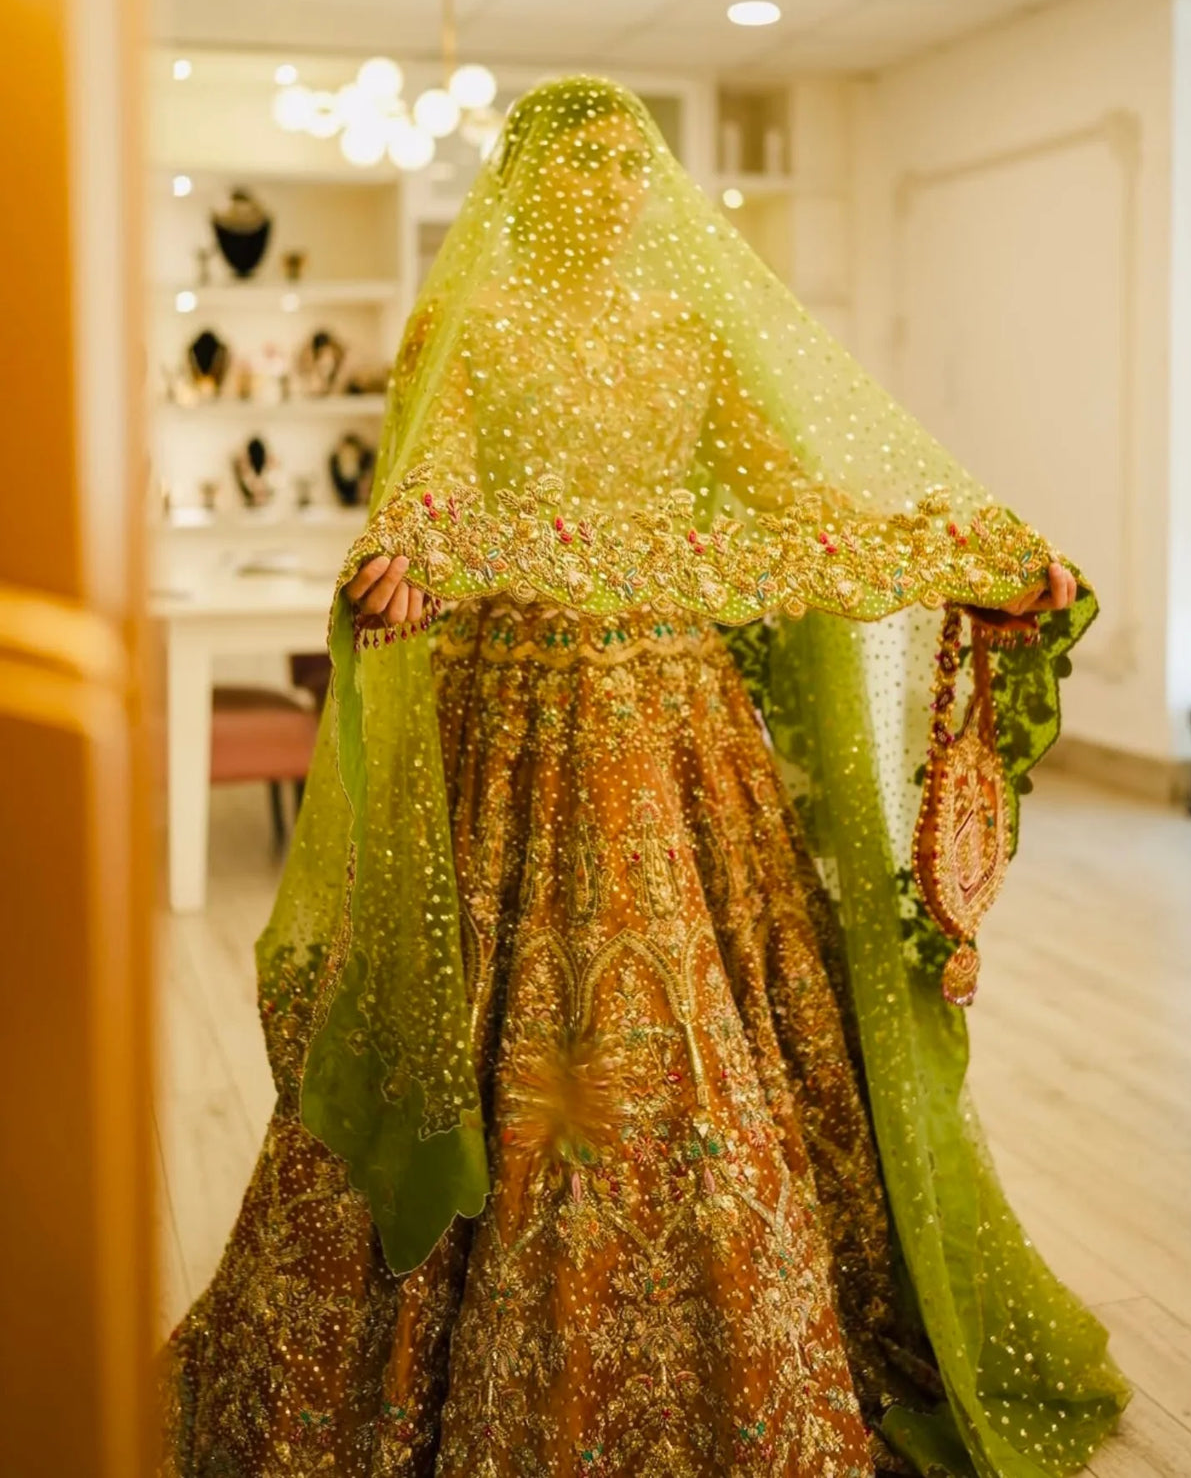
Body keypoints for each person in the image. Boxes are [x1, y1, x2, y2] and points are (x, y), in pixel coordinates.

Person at [161, 76, 1128, 1478]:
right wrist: (413, 558)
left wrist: (974, 556)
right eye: (582, 167)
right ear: (530, 184)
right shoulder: (468, 325)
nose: (607, 191)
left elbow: (801, 507)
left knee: (707, 1014)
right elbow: (432, 481)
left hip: (678, 724)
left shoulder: (692, 335)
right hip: (515, 715)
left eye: (629, 167)